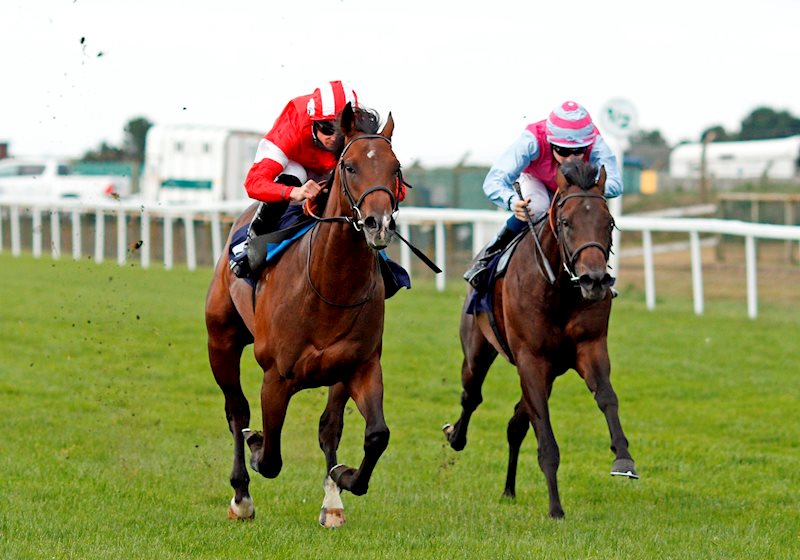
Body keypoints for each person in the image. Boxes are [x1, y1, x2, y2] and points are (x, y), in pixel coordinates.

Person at [463, 100, 623, 288]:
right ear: (550, 142)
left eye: (579, 151)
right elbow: (494, 180)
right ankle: (490, 255)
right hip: (536, 181)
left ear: (587, 145)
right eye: (563, 151)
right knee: (536, 207)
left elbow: (615, 184)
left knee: (586, 213)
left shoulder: (595, 141)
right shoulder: (532, 139)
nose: (571, 159)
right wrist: (512, 201)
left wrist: (586, 189)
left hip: (577, 187)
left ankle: (595, 272)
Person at [229, 80, 362, 278]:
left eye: (340, 128)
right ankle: (253, 245)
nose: (334, 137)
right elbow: (253, 183)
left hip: (334, 167)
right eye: (326, 128)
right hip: (297, 165)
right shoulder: (291, 128)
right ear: (313, 122)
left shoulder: (360, 130)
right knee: (294, 176)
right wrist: (295, 192)